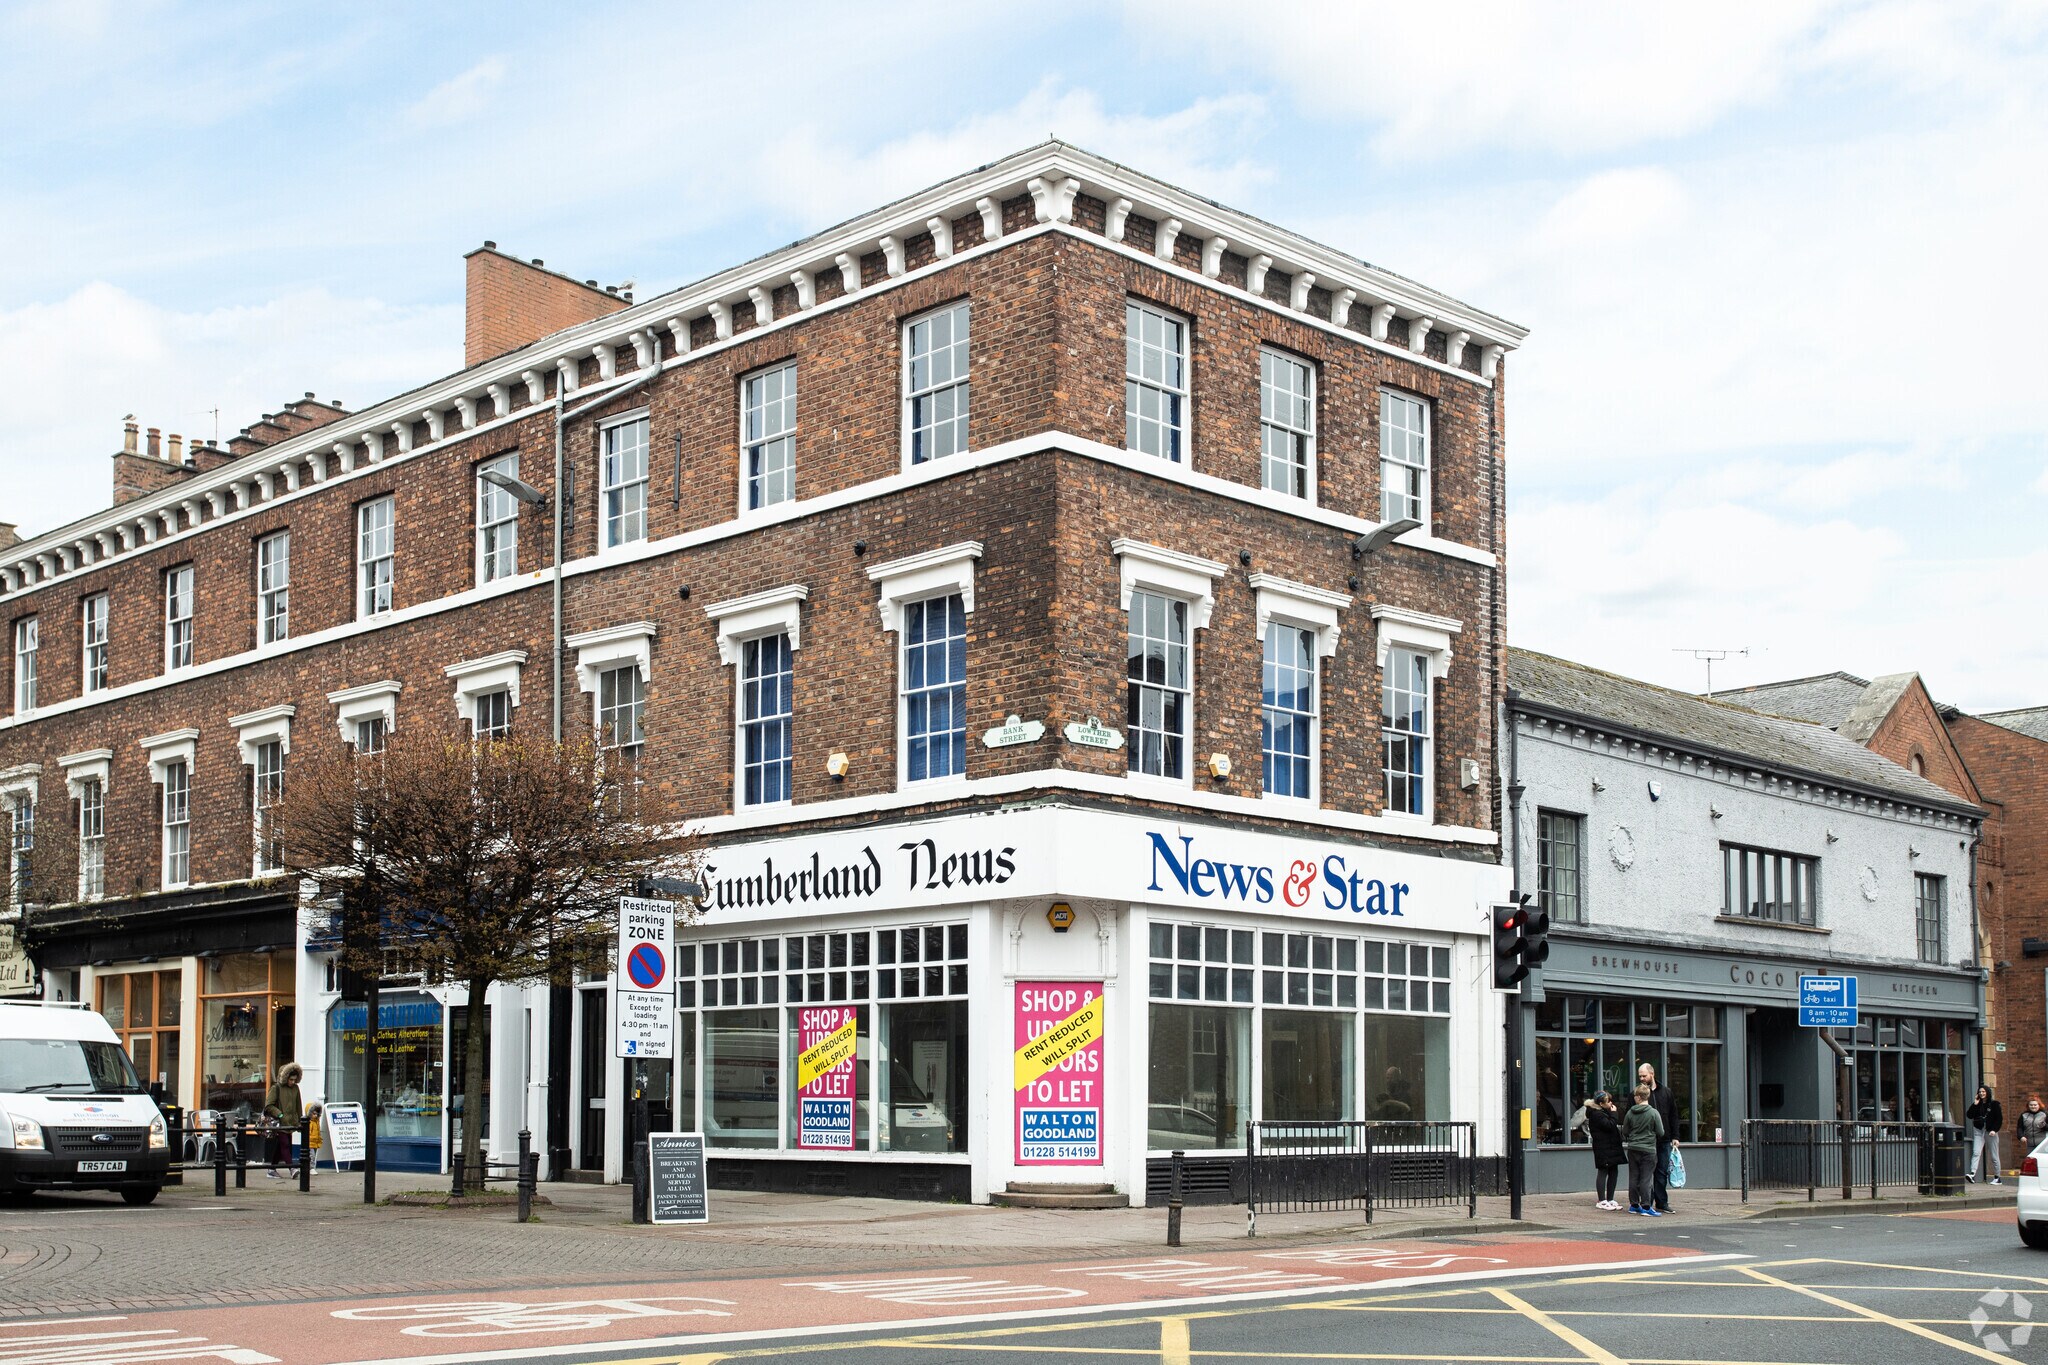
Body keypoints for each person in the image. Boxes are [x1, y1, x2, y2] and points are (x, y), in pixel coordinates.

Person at [1637, 1061, 1678, 1213]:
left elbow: (1673, 1115)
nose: (1641, 1078)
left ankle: (1661, 1202)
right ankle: (1646, 1202)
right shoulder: (1637, 1094)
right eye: (1640, 1076)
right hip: (1646, 1140)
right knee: (1646, 1173)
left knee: (1661, 1172)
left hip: (1664, 1139)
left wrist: (1675, 1136)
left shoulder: (1666, 1092)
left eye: (1644, 1076)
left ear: (1652, 1074)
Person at [1622, 1084, 1664, 1216]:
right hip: (1648, 1149)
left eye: (1635, 1096)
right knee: (1646, 1178)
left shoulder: (1630, 1113)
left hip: (1633, 1148)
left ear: (1639, 1097)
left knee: (1633, 1176)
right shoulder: (1653, 1113)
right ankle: (1646, 1206)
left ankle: (1634, 1204)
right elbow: (1661, 1132)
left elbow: (1625, 1131)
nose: (1634, 1098)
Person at [262, 1062, 305, 1179]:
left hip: (290, 1123)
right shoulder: (276, 1088)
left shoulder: (296, 1088)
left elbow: (298, 1106)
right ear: (285, 1077)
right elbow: (268, 1105)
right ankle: (292, 1169)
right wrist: (280, 1115)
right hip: (280, 1123)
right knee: (285, 1145)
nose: (293, 1082)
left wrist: (301, 1120)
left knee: (281, 1146)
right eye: (291, 1079)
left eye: (295, 1080)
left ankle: (271, 1169)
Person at [1585, 1090, 1625, 1210]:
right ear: (1601, 1104)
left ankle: (1610, 1198)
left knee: (1613, 1171)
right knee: (1603, 1171)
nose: (1611, 1103)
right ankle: (1602, 1200)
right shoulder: (1596, 1114)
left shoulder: (1602, 1112)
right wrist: (1614, 1114)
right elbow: (1609, 1125)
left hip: (1611, 1146)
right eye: (1608, 1101)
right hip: (1603, 1147)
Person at [1966, 1084, 2004, 1184]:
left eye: (1983, 1092)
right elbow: (1969, 1115)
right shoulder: (1977, 1104)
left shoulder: (1994, 1104)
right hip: (1978, 1130)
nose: (1981, 1093)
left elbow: (1999, 1119)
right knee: (1976, 1152)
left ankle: (1997, 1177)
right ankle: (1972, 1174)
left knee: (1994, 1155)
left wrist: (1994, 1130)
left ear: (1987, 1092)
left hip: (1990, 1131)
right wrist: (1974, 1104)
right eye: (1980, 1092)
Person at [2018, 1094, 2048, 1162]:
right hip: (2030, 1143)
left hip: (2042, 1144)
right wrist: (2021, 1136)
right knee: (2031, 1161)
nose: (2033, 1106)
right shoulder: (2024, 1115)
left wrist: (2044, 1126)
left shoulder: (2044, 1114)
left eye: (2035, 1105)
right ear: (2028, 1106)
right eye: (2031, 1105)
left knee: (2042, 1161)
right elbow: (2020, 1127)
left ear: (2039, 1105)